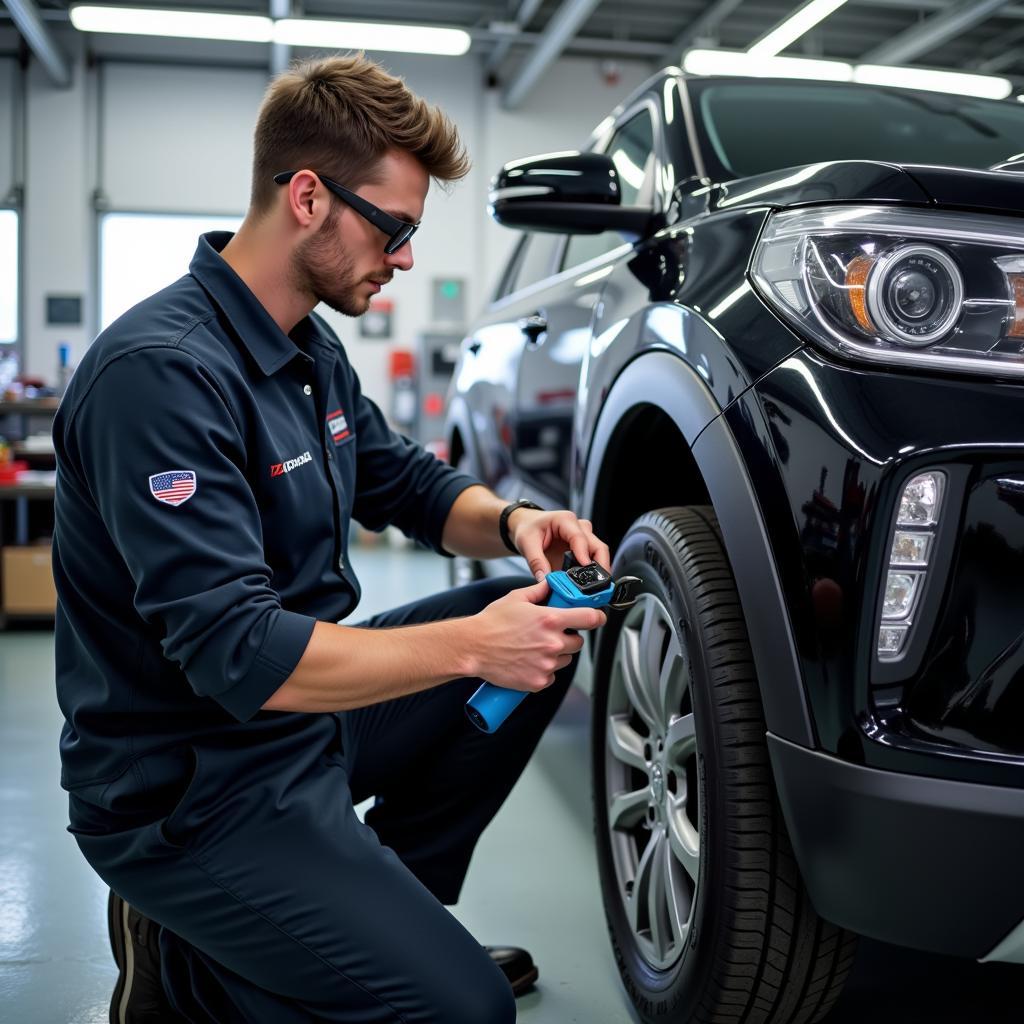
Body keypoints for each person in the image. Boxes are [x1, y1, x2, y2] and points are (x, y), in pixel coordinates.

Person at [53, 53, 612, 1024]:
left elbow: (410, 483)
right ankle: (186, 961)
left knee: (538, 632)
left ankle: (369, 913)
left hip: (297, 735)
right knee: (466, 1011)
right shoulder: (161, 377)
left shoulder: (308, 350)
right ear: (307, 197)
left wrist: (520, 523)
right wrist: (477, 646)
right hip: (189, 787)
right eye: (393, 229)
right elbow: (242, 656)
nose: (401, 258)